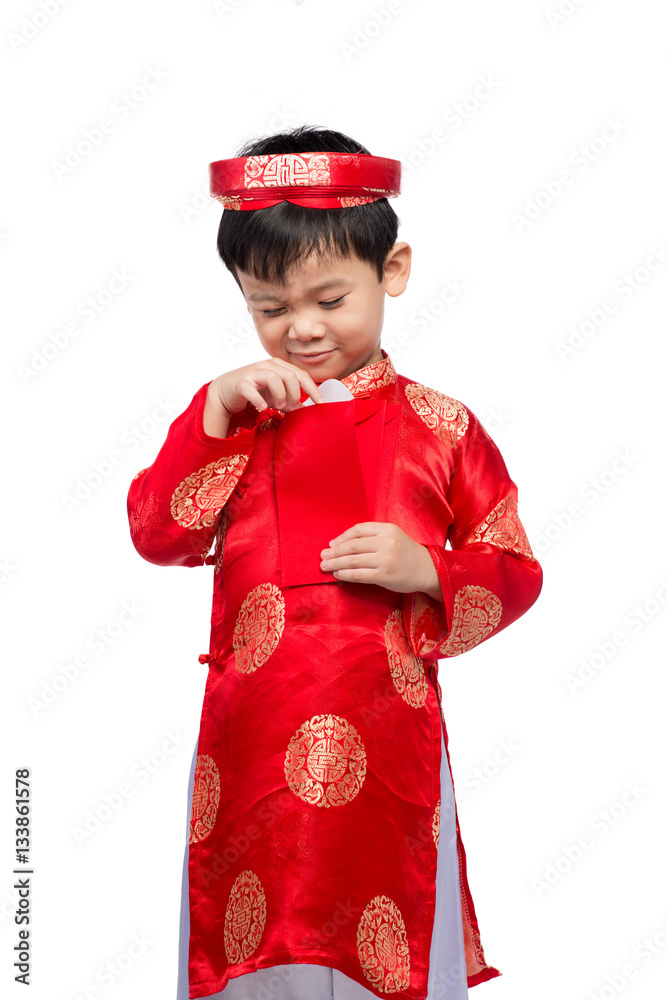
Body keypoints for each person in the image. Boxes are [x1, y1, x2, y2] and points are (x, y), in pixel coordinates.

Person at [126, 125, 543, 1000]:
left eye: (328, 299)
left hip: (387, 746)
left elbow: (510, 563)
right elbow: (160, 535)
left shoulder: (441, 426)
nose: (302, 329)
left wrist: (428, 569)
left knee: (387, 945)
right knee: (250, 949)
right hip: (248, 747)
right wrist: (211, 415)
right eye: (270, 309)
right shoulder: (237, 417)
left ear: (391, 273)